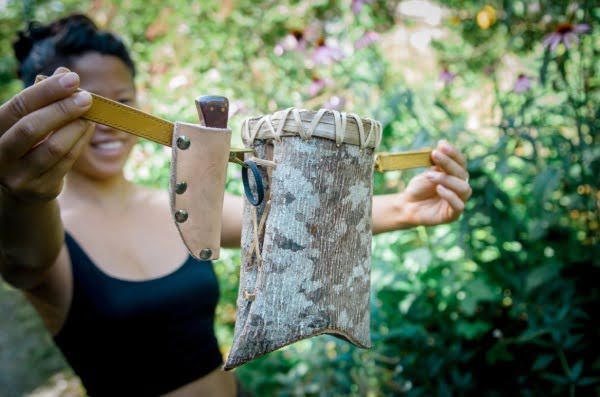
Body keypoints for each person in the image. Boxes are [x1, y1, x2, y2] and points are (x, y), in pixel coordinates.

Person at [0, 14, 471, 397]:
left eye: (122, 101)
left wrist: (407, 209)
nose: (109, 124)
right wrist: (25, 193)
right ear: (49, 106)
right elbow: (25, 256)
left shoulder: (177, 204)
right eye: (92, 105)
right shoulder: (40, 223)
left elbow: (294, 226)